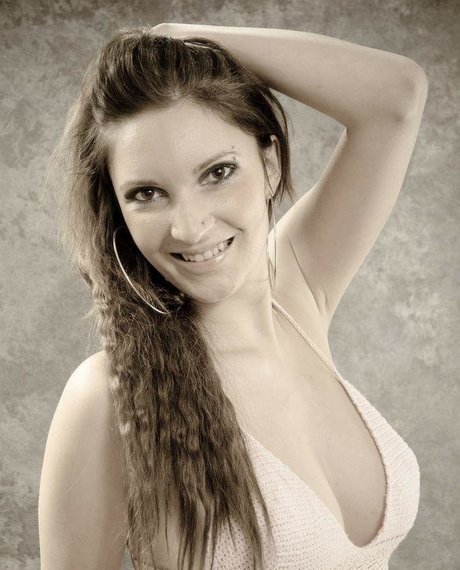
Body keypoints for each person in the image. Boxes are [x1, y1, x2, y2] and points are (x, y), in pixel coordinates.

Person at [38, 23, 428, 570]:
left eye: (217, 172)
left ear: (269, 165)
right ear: (119, 212)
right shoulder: (110, 395)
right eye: (147, 193)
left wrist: (180, 38)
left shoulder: (297, 295)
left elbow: (396, 96)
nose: (190, 226)